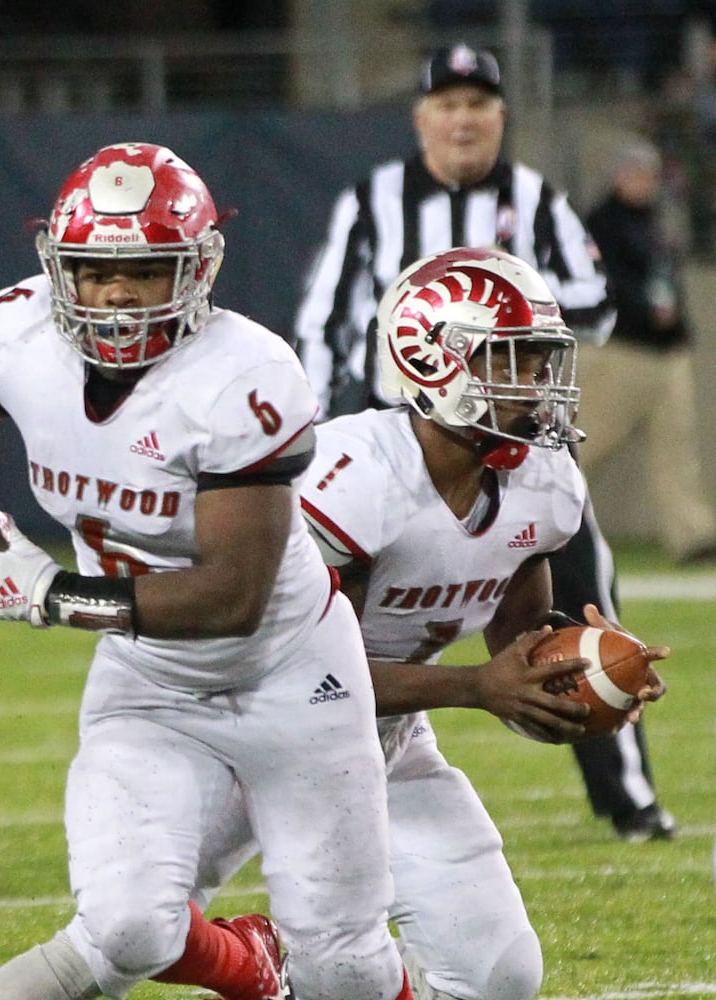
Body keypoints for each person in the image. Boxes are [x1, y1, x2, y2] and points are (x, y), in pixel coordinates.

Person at [0, 142, 411, 1000]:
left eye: (146, 270)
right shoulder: (18, 327)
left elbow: (231, 597)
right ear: (57, 268)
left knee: (345, 968)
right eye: (94, 271)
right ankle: (251, 970)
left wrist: (54, 596)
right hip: (147, 682)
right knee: (125, 925)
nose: (115, 294)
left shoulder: (244, 376)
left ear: (193, 270)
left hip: (294, 680)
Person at [292, 42, 675, 842]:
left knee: (583, 611)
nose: (464, 120)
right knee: (330, 642)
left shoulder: (536, 200)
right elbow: (324, 313)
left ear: (501, 119)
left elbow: (591, 306)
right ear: (422, 118)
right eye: (448, 105)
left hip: (512, 436)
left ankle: (627, 794)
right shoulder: (372, 201)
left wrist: (515, 328)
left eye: (479, 106)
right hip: (406, 435)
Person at [298, 246, 668, 1000]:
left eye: (539, 362)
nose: (539, 387)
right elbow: (296, 674)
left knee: (499, 974)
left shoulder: (540, 479)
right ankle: (255, 964)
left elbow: (517, 636)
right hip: (254, 737)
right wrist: (473, 686)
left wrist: (579, 672)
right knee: (136, 931)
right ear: (434, 362)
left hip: (381, 741)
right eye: (516, 362)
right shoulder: (355, 478)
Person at [580, 138, 716, 563]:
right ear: (620, 175)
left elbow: (666, 280)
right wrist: (643, 309)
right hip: (623, 351)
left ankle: (693, 536)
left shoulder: (656, 222)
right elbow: (604, 281)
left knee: (678, 450)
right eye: (637, 172)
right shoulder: (601, 223)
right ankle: (541, 525)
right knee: (581, 443)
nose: (644, 182)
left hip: (665, 354)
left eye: (649, 174)